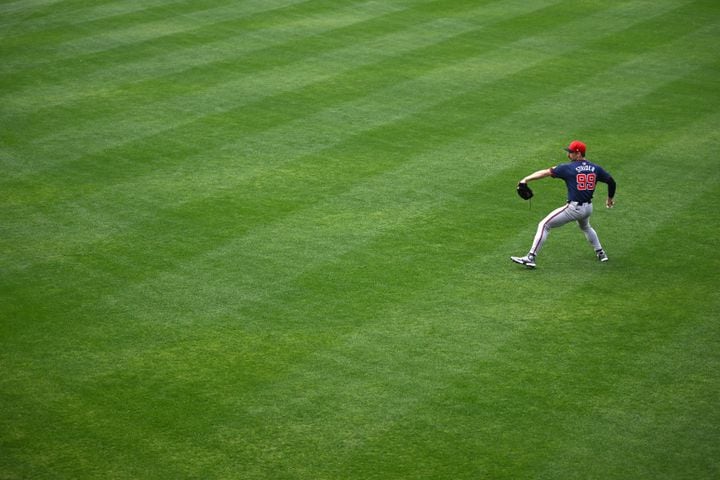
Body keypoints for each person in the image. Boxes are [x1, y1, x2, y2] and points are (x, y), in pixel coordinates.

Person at [511, 140, 616, 269]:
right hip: (588, 208)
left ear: (578, 154)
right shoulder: (595, 168)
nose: (568, 155)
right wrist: (609, 199)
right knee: (586, 227)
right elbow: (612, 182)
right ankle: (601, 253)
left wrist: (525, 179)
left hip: (574, 209)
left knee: (544, 225)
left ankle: (531, 257)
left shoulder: (568, 168)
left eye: (571, 152)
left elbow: (545, 172)